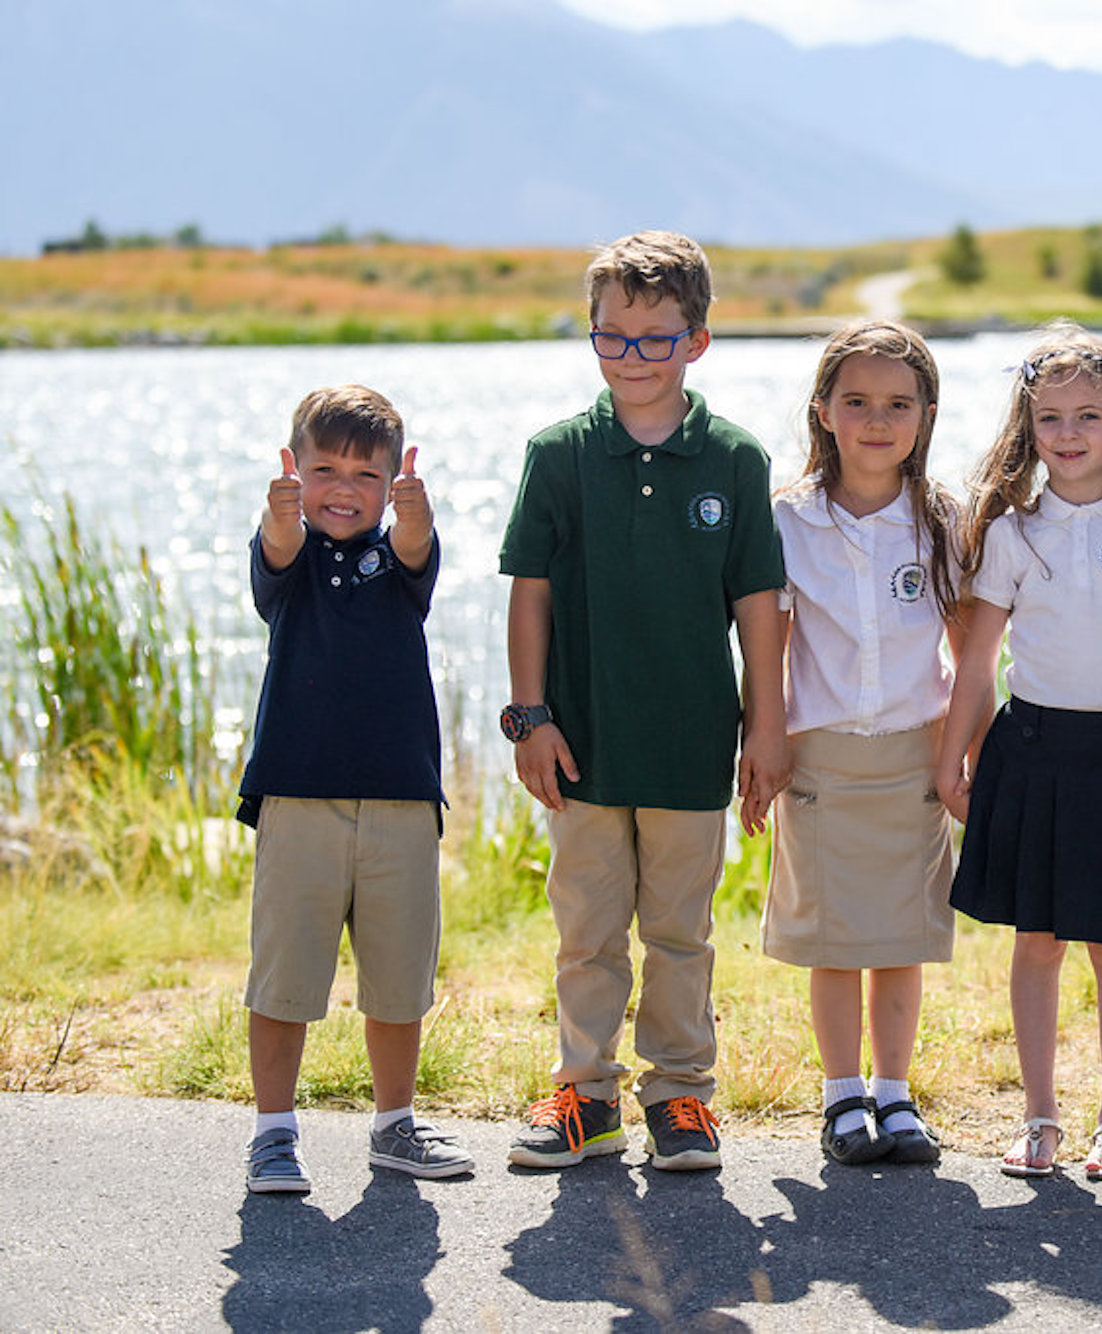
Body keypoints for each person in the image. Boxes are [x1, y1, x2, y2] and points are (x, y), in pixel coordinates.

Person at [499, 230, 788, 1173]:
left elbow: (757, 606)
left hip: (691, 744)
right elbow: (530, 592)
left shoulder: (734, 461)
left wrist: (766, 725)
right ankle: (585, 1096)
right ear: (589, 336)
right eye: (612, 336)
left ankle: (681, 1098)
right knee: (586, 933)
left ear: (697, 341)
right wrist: (530, 718)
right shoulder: (558, 455)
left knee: (678, 934)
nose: (633, 357)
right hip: (579, 745)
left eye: (655, 338)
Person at [935, 321, 1102, 1182]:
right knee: (1038, 940)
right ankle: (1040, 1117)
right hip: (1033, 750)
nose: (1071, 434)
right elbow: (977, 662)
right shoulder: (1011, 528)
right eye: (1051, 418)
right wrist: (955, 758)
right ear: (1027, 426)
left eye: (1090, 415)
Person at [764, 320, 988, 1167]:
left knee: (898, 936)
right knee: (833, 938)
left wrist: (962, 749)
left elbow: (971, 651)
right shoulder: (786, 520)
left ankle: (895, 1095)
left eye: (898, 404)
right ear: (823, 411)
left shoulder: (943, 520)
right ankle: (841, 1097)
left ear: (926, 415)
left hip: (913, 753)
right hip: (819, 754)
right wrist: (766, 743)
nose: (876, 420)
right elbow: (770, 647)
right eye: (855, 401)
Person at [237, 384, 470, 1193]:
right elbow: (273, 548)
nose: (343, 488)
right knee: (285, 973)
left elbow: (414, 548)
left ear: (391, 481)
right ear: (296, 474)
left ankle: (394, 1124)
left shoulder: (401, 559)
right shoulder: (290, 557)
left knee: (398, 974)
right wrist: (280, 515)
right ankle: (274, 1132)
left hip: (402, 794)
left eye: (365, 475)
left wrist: (411, 513)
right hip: (298, 793)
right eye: (324, 470)